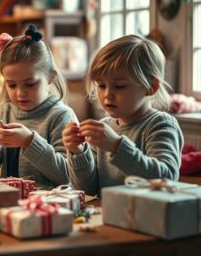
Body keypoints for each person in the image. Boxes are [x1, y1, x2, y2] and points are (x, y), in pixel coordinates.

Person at [62, 35, 183, 196]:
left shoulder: (161, 124)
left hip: (146, 219)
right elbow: (88, 190)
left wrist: (117, 147)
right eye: (101, 85)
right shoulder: (104, 127)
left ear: (151, 87)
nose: (107, 95)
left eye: (119, 86)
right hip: (107, 217)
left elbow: (166, 179)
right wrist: (78, 153)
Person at [0, 25, 77, 188]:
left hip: (47, 203)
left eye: (30, 84)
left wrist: (30, 142)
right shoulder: (4, 111)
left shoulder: (61, 116)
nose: (20, 93)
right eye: (12, 85)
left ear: (50, 77)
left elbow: (67, 174)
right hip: (9, 200)